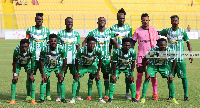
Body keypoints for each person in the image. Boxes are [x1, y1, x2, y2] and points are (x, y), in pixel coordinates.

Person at [82, 17, 119, 100]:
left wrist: (116, 53)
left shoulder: (109, 32)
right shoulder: (93, 32)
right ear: (97, 22)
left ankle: (106, 94)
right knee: (92, 75)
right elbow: (84, 41)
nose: (102, 22)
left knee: (106, 75)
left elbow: (115, 43)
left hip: (106, 58)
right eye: (100, 21)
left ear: (105, 22)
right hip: (95, 58)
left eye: (103, 21)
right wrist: (85, 53)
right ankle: (89, 95)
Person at [159, 15, 193, 101]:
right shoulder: (167, 31)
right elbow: (157, 33)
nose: (175, 22)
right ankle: (170, 95)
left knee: (183, 77)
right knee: (169, 77)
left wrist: (191, 54)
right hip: (170, 60)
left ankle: (186, 96)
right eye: (173, 21)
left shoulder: (182, 31)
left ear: (178, 21)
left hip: (180, 59)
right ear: (171, 22)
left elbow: (188, 43)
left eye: (176, 21)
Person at [140, 38, 179, 104]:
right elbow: (144, 60)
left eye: (164, 45)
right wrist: (146, 72)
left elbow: (174, 61)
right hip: (153, 65)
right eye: (161, 45)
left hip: (164, 65)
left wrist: (171, 73)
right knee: (147, 79)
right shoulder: (153, 50)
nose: (163, 46)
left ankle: (174, 98)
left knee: (170, 79)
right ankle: (143, 97)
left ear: (166, 45)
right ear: (157, 45)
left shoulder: (169, 50)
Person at [69, 36, 106, 103]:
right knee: (76, 78)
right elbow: (76, 60)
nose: (92, 46)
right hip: (83, 65)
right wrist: (77, 71)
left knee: (98, 78)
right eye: (90, 44)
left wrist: (98, 71)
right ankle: (73, 98)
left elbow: (101, 60)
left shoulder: (98, 50)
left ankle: (100, 98)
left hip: (92, 65)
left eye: (93, 44)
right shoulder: (82, 50)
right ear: (87, 44)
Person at [132, 13, 159, 100]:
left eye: (146, 20)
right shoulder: (137, 31)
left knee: (153, 75)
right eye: (143, 20)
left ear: (149, 21)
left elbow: (158, 43)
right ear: (141, 21)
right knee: (139, 74)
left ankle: (155, 93)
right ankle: (138, 93)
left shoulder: (153, 30)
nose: (145, 22)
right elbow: (132, 43)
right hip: (141, 56)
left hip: (151, 56)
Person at [26, 13, 50, 101]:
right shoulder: (29, 30)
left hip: (43, 58)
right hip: (32, 57)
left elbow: (48, 44)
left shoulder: (47, 31)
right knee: (29, 75)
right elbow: (26, 42)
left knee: (46, 75)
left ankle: (47, 94)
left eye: (40, 19)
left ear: (42, 20)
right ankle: (28, 95)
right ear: (35, 20)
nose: (39, 21)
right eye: (37, 19)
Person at [57, 17, 82, 102]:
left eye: (71, 22)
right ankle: (59, 95)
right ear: (65, 23)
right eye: (67, 22)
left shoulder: (76, 34)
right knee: (60, 76)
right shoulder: (60, 33)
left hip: (74, 59)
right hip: (63, 59)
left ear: (73, 23)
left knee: (76, 77)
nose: (69, 23)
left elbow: (78, 47)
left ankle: (77, 94)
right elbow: (59, 47)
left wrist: (79, 58)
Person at [110, 8, 133, 100]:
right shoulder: (113, 28)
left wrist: (130, 52)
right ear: (117, 18)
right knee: (114, 74)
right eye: (120, 18)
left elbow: (131, 42)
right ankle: (110, 94)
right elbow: (111, 41)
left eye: (123, 18)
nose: (121, 20)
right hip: (117, 55)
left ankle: (127, 93)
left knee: (128, 75)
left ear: (124, 18)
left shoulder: (128, 28)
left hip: (126, 55)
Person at [107, 38, 138, 103]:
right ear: (122, 45)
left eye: (128, 45)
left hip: (127, 67)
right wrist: (114, 74)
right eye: (125, 45)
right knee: (113, 79)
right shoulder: (116, 52)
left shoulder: (133, 51)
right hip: (118, 67)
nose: (127, 47)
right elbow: (114, 63)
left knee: (131, 80)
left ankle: (133, 98)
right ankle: (110, 98)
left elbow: (133, 63)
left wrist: (131, 74)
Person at [38, 34, 67, 103]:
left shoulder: (61, 48)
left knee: (61, 80)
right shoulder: (44, 48)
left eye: (55, 41)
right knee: (44, 80)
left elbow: (65, 60)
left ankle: (63, 98)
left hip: (58, 66)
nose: (53, 42)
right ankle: (41, 99)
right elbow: (41, 60)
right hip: (47, 66)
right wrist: (42, 72)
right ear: (49, 42)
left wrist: (62, 72)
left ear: (57, 42)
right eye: (51, 41)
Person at [9, 39, 36, 104]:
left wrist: (32, 74)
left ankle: (33, 99)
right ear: (20, 46)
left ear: (28, 46)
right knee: (14, 79)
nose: (24, 48)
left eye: (26, 46)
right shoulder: (17, 49)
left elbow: (33, 62)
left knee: (31, 79)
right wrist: (15, 74)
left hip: (28, 63)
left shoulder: (32, 50)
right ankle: (13, 99)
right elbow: (14, 62)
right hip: (18, 63)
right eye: (22, 47)